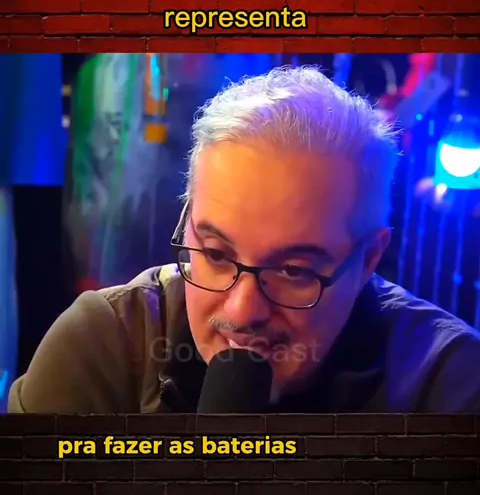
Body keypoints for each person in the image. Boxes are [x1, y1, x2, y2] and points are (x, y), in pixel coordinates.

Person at [8, 65, 480, 414]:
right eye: (215, 254)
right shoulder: (103, 344)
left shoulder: (448, 384)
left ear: (369, 259)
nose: (241, 311)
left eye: (293, 270)